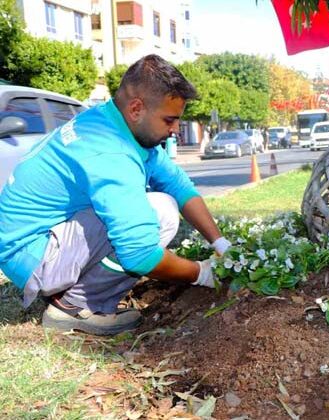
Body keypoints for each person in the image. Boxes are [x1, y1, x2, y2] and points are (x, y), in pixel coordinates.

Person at [0, 54, 231, 335]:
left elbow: (178, 185)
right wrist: (202, 273)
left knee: (161, 201)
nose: (174, 131)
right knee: (161, 213)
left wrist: (220, 244)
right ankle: (76, 305)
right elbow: (140, 255)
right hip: (33, 258)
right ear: (136, 109)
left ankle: (74, 289)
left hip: (35, 242)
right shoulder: (110, 152)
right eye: (169, 120)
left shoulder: (111, 123)